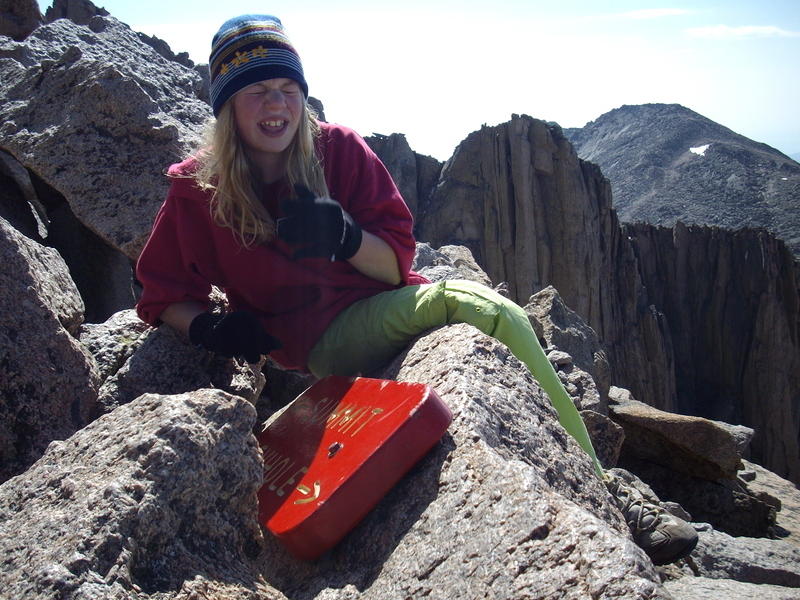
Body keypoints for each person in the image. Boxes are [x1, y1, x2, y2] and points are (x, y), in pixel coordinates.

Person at [135, 14, 697, 565]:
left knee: (473, 308)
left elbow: (396, 261)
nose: (276, 104)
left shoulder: (338, 150)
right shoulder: (198, 189)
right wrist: (209, 326)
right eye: (256, 90)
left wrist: (344, 234)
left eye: (287, 88)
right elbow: (159, 291)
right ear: (227, 104)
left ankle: (605, 489)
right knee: (485, 309)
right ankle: (612, 496)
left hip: (376, 305)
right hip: (322, 343)